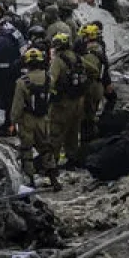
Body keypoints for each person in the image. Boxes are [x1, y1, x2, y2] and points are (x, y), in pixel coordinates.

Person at [12, 48, 60, 189]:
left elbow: (17, 105)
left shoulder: (22, 82)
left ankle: (30, 180)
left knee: (26, 149)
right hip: (43, 119)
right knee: (45, 148)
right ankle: (53, 179)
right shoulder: (48, 78)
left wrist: (12, 121)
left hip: (27, 119)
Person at [49, 33, 87, 168]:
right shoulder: (78, 58)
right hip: (78, 101)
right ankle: (72, 160)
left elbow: (51, 81)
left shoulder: (58, 61)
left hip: (63, 103)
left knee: (56, 132)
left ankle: (52, 162)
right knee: (73, 131)